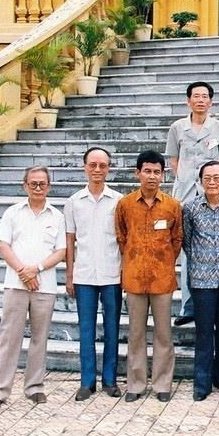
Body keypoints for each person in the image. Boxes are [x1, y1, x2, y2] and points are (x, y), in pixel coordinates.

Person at [0, 166, 66, 411]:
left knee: (40, 337)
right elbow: (3, 245)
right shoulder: (13, 212)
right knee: (9, 338)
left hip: (45, 285)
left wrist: (36, 269)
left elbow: (61, 251)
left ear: (49, 186)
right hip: (16, 283)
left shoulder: (57, 216)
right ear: (25, 185)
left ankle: (35, 387)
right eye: (33, 184)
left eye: (42, 184)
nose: (38, 188)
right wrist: (23, 271)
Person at [115, 150, 183, 403]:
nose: (152, 176)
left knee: (163, 333)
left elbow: (177, 239)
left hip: (162, 279)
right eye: (147, 171)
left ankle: (162, 383)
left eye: (157, 172)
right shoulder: (125, 204)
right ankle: (136, 384)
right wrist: (134, 259)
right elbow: (121, 236)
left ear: (163, 175)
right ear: (138, 173)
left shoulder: (172, 206)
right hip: (134, 278)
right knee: (136, 333)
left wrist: (163, 262)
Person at [166, 81, 219, 326]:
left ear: (211, 101)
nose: (200, 100)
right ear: (188, 100)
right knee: (187, 250)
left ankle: (211, 304)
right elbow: (173, 159)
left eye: (205, 96)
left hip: (210, 194)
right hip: (185, 194)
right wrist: (183, 179)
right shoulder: (177, 127)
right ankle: (187, 306)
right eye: (196, 96)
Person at [64, 148, 123, 401]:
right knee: (86, 329)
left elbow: (123, 239)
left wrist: (124, 270)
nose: (97, 169)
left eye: (102, 165)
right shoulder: (74, 202)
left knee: (112, 328)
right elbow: (70, 241)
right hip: (84, 274)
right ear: (85, 167)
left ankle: (110, 380)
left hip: (112, 274)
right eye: (93, 165)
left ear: (109, 168)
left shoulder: (119, 201)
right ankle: (86, 382)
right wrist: (69, 274)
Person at [183, 161, 219, 401]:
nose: (212, 182)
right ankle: (202, 383)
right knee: (204, 332)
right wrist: (201, 261)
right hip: (202, 281)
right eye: (207, 178)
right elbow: (186, 241)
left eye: (217, 177)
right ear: (200, 181)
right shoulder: (190, 208)